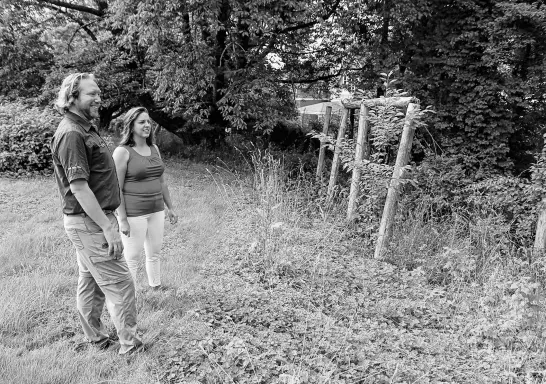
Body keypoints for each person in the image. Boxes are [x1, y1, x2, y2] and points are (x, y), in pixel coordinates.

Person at [50, 73, 143, 355]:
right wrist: (108, 226)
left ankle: (97, 338)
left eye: (98, 92)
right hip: (90, 221)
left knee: (91, 282)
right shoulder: (71, 134)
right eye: (92, 93)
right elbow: (79, 188)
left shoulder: (86, 127)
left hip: (93, 219)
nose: (98, 98)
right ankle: (130, 345)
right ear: (72, 97)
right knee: (121, 283)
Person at [112, 107, 178, 290]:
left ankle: (155, 287)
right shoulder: (122, 152)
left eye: (148, 121)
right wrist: (122, 219)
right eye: (141, 122)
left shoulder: (154, 148)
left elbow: (162, 181)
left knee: (154, 253)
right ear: (131, 125)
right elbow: (116, 188)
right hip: (134, 213)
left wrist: (170, 207)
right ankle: (129, 297)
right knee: (132, 257)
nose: (147, 125)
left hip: (156, 210)